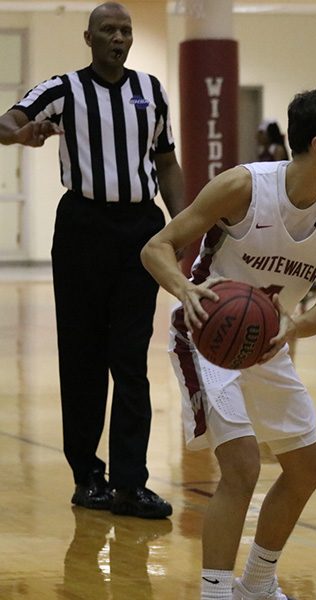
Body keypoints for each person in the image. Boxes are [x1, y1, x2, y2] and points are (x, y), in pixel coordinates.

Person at [141, 85, 316, 600]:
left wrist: (294, 327)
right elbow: (156, 248)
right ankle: (216, 593)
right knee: (242, 465)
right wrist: (186, 289)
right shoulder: (244, 186)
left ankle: (258, 584)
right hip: (207, 333)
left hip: (267, 338)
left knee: (310, 467)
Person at [0, 1, 181, 519]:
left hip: (140, 231)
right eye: (108, 30)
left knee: (130, 357)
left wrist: (183, 226)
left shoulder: (152, 91)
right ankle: (87, 476)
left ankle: (131, 483)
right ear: (89, 38)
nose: (118, 38)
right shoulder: (62, 89)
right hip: (82, 226)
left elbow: (167, 162)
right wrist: (20, 133)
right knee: (82, 355)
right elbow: (8, 120)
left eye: (125, 30)